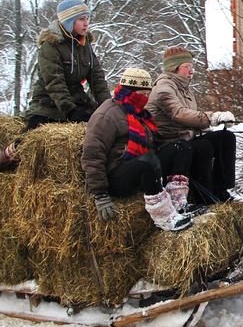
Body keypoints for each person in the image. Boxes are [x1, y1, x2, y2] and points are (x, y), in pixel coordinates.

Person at [0, 0, 111, 192]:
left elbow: (97, 79)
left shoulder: (86, 46)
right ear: (69, 22)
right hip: (48, 105)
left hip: (77, 101)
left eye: (87, 17)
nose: (86, 23)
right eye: (81, 18)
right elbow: (54, 82)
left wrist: (108, 107)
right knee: (26, 143)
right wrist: (70, 110)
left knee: (106, 128)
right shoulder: (50, 46)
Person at [82, 67, 195, 232]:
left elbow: (155, 142)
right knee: (148, 161)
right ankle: (164, 217)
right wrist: (100, 195)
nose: (147, 98)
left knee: (180, 147)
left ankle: (177, 202)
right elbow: (92, 156)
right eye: (144, 94)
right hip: (118, 175)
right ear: (131, 91)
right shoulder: (107, 115)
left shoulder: (138, 112)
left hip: (143, 165)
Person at [147, 46, 237, 205]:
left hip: (185, 138)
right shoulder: (163, 88)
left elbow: (189, 118)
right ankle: (205, 196)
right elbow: (179, 113)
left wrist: (204, 126)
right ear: (174, 68)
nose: (192, 71)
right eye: (187, 67)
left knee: (226, 137)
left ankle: (221, 188)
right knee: (204, 146)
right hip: (169, 144)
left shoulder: (184, 88)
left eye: (192, 67)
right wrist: (212, 117)